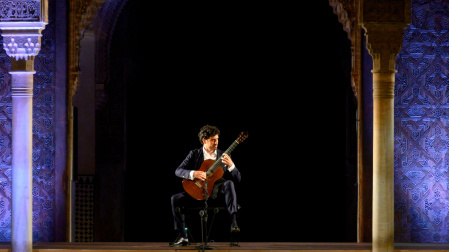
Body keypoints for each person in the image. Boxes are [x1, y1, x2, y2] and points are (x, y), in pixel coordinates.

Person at [169, 125, 242, 246]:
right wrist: (193, 173)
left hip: (216, 195)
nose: (216, 142)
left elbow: (238, 179)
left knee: (229, 183)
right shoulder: (194, 154)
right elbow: (178, 170)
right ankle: (183, 235)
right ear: (204, 140)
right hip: (198, 193)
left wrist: (231, 165)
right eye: (213, 140)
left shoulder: (223, 155)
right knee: (175, 199)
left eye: (217, 139)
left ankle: (234, 223)